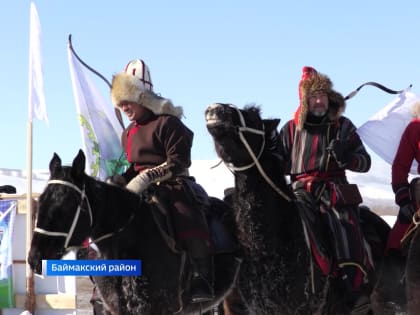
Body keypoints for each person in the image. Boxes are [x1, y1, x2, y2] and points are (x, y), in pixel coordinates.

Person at [109, 59, 214, 303]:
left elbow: (179, 162)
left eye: (128, 99)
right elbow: (133, 169)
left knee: (184, 213)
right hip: (139, 190)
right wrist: (118, 181)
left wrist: (148, 176)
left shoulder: (168, 123)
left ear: (143, 96)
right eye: (120, 101)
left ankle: (202, 276)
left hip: (172, 183)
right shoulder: (128, 133)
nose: (124, 106)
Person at [277, 66, 373, 309]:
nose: (319, 101)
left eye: (322, 96)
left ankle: (352, 284)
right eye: (313, 97)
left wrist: (346, 158)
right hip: (299, 191)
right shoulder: (290, 129)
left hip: (333, 189)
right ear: (305, 100)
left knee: (344, 226)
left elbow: (365, 163)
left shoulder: (342, 126)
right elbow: (276, 162)